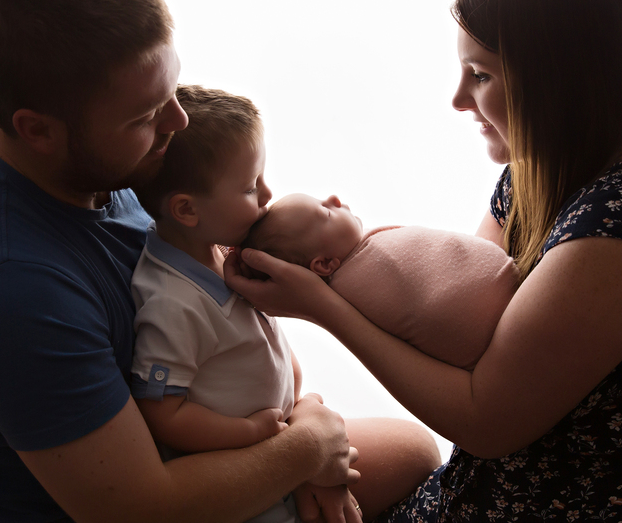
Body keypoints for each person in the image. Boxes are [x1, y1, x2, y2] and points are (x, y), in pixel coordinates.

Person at [225, 0, 622, 520]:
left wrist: (322, 306)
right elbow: (453, 332)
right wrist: (310, 440)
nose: (457, 99)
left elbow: (486, 421)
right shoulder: (538, 174)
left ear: (557, 78)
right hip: (480, 493)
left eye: (480, 75)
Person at [0, 0, 388, 522]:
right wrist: (310, 450)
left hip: (217, 442)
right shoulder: (7, 287)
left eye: (170, 92)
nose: (179, 121)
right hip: (133, 497)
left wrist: (310, 422)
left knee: (411, 449)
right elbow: (141, 509)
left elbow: (236, 327)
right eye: (146, 116)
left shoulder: (112, 160)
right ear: (38, 131)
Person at [129, 84, 442, 523]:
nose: (266, 193)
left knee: (417, 451)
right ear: (186, 210)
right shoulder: (173, 304)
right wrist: (257, 437)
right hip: (242, 484)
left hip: (285, 440)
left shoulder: (218, 254)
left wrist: (304, 415)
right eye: (249, 187)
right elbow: (163, 413)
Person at [241, 192, 518, 369]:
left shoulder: (348, 291)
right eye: (325, 212)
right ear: (324, 264)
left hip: (508, 317)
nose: (334, 199)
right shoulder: (353, 292)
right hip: (501, 322)